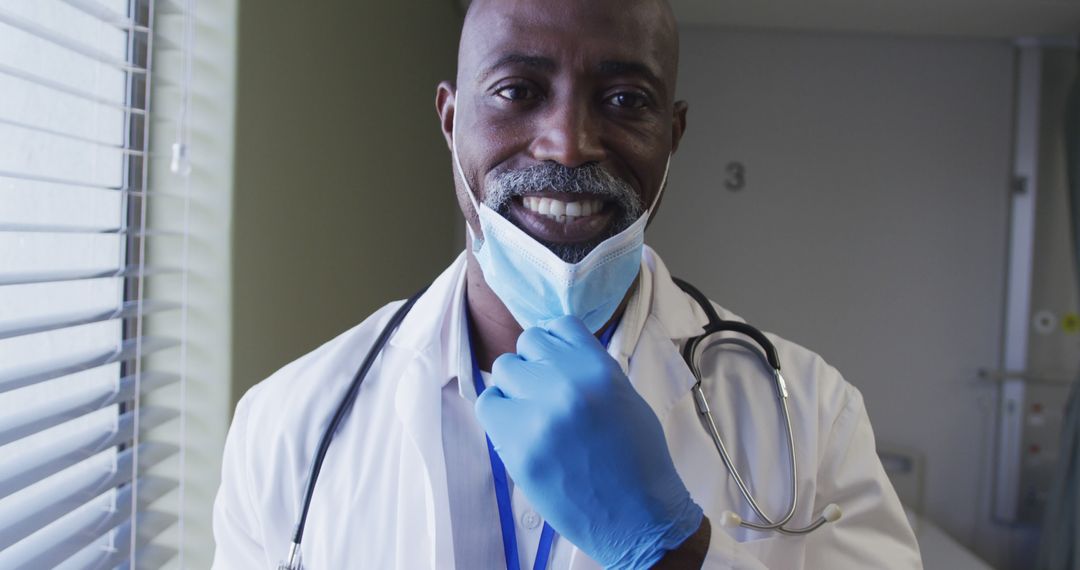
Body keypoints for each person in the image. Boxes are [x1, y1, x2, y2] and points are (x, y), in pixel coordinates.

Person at [211, 0, 923, 567]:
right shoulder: (289, 427)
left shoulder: (811, 415)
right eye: (518, 90)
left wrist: (670, 553)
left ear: (672, 134)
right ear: (453, 122)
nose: (569, 142)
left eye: (624, 100)